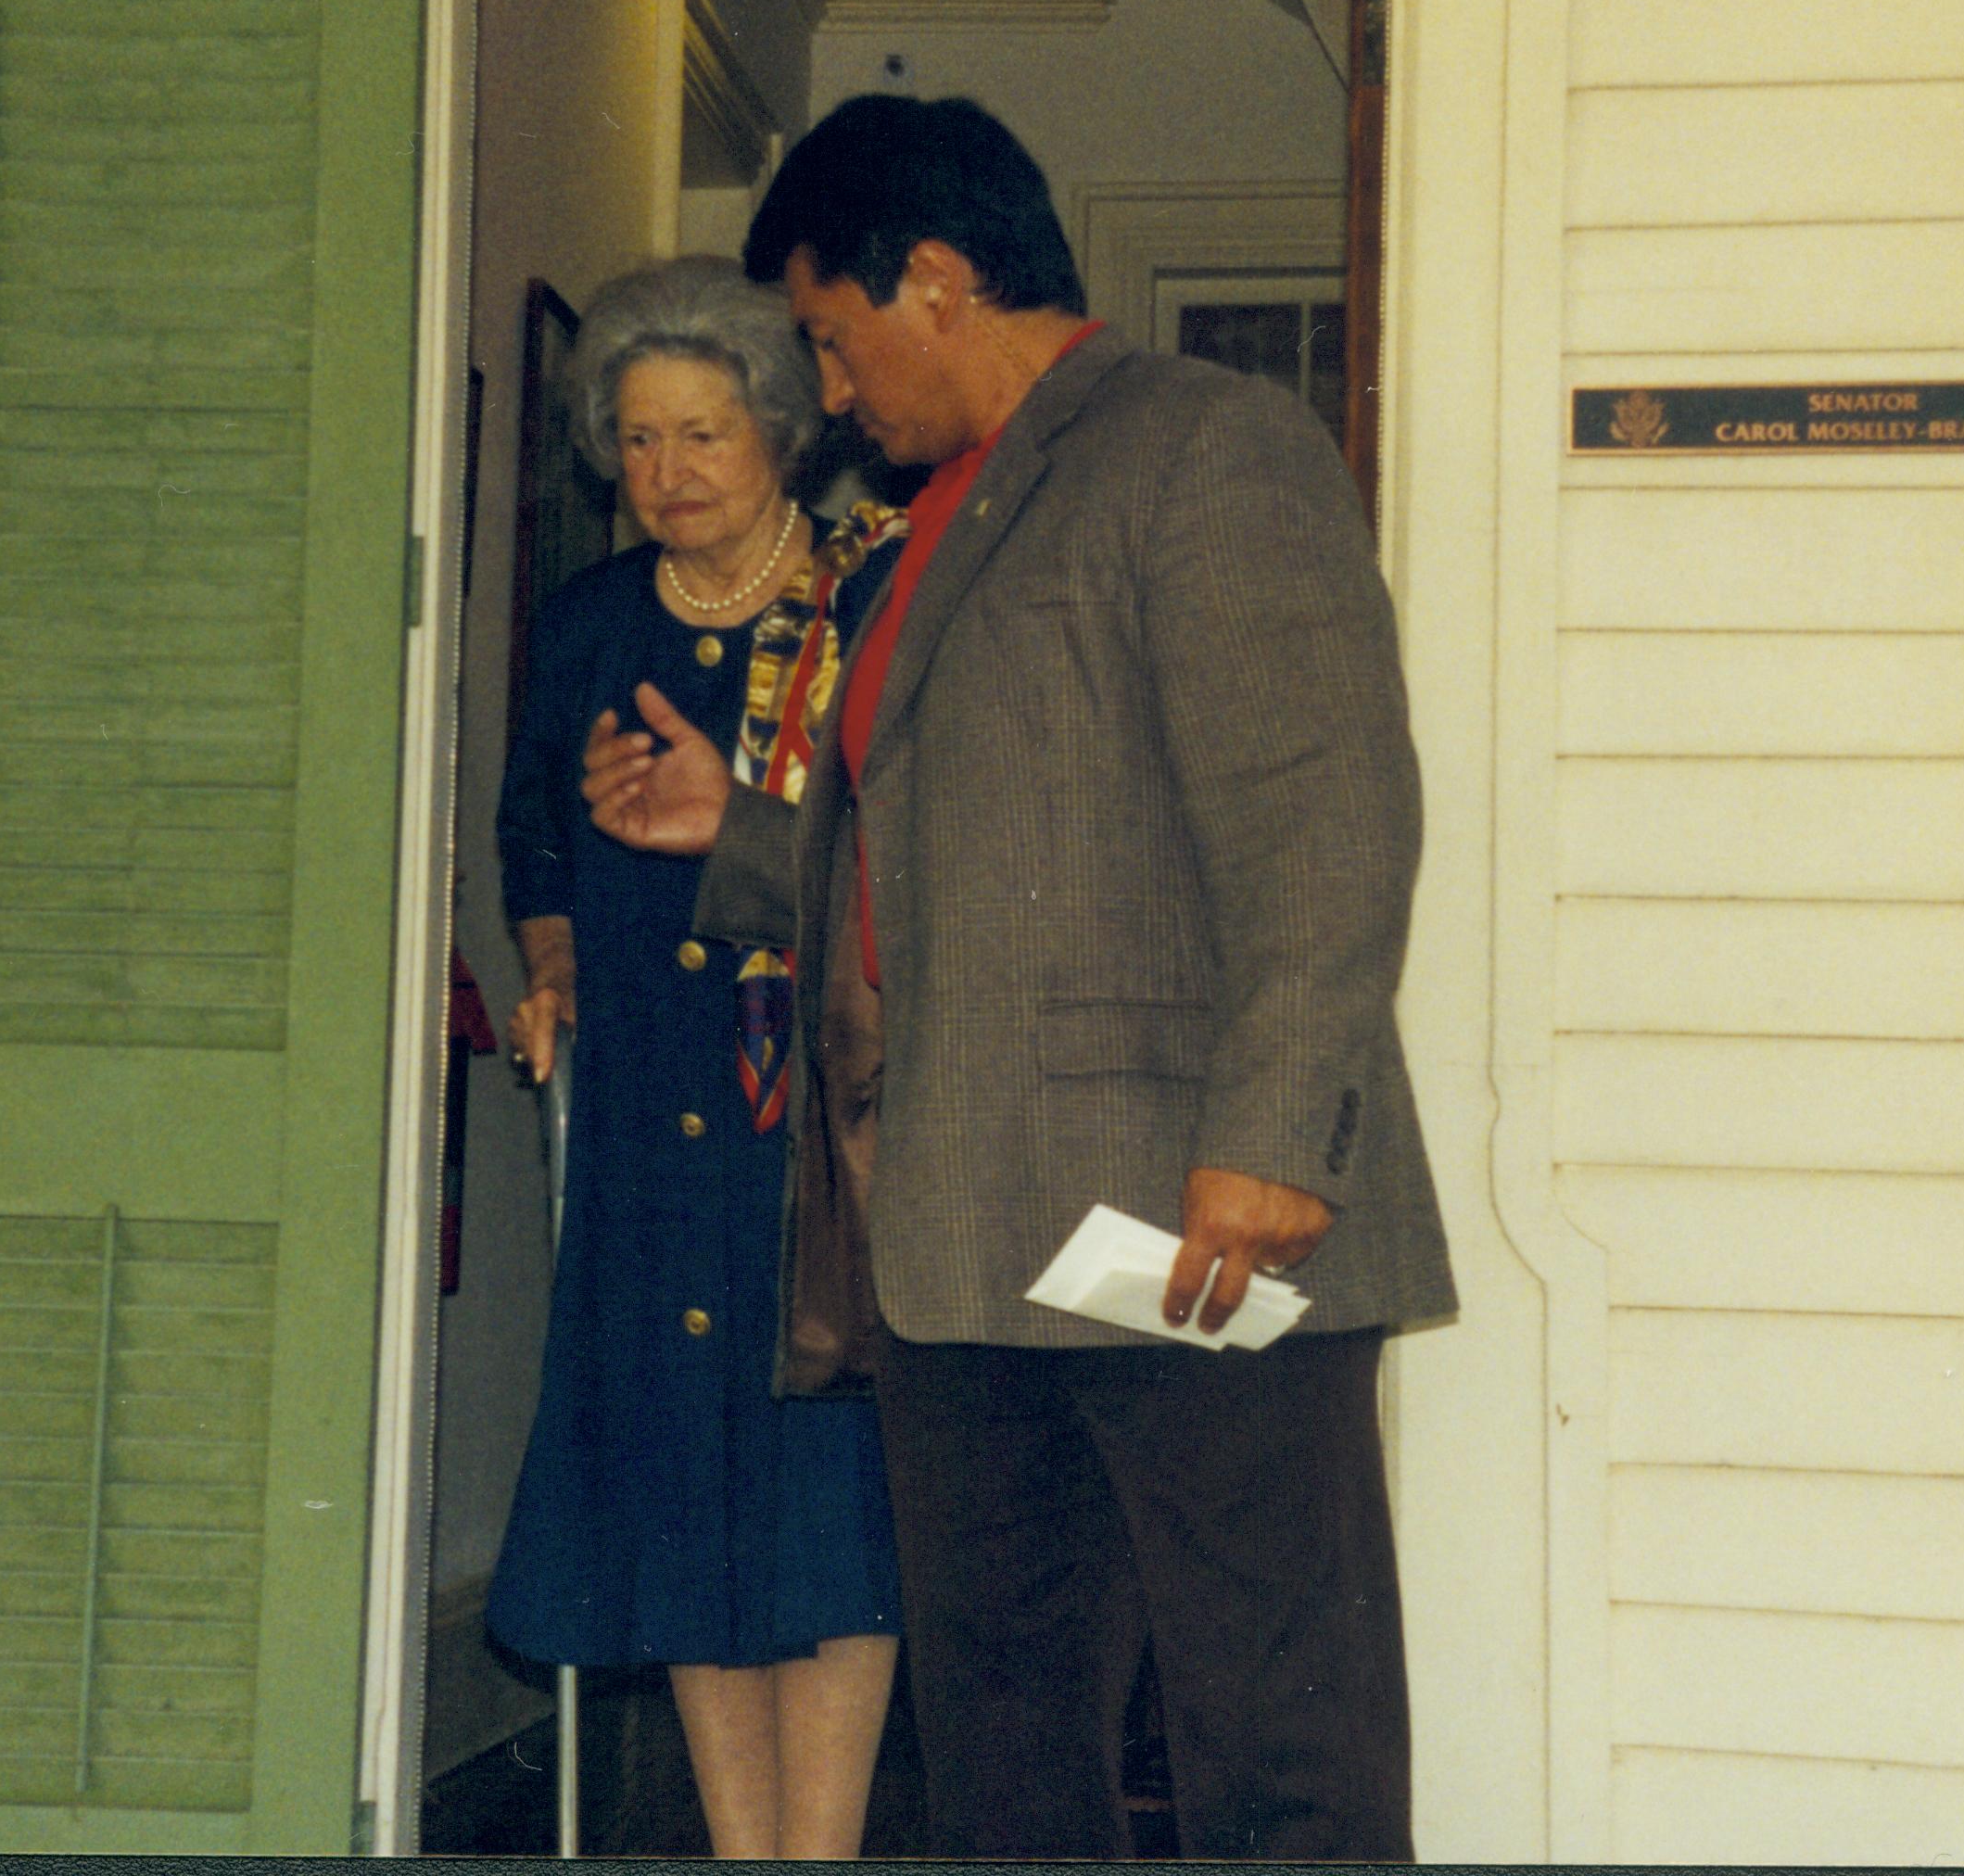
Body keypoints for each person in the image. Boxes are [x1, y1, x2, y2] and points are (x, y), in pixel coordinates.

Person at [581, 95, 1457, 1860]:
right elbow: (958, 869)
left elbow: (1326, 813)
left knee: (1276, 1734)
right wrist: (742, 837)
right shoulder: (920, 533)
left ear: (936, 278)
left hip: (1193, 1224)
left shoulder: (1208, 446)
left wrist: (1277, 1128)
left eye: (831, 341)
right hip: (959, 1247)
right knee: (1002, 1750)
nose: (828, 395)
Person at [487, 255, 910, 1860]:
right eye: (641, 440)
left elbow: (905, 851)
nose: (667, 475)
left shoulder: (867, 602)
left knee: (820, 1495)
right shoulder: (593, 623)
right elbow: (536, 831)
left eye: (704, 438)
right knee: (676, 1476)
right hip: (649, 1115)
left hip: (811, 1115)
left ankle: (825, 1852)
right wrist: (550, 965)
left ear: (783, 434)